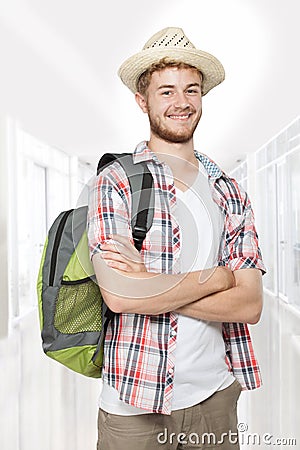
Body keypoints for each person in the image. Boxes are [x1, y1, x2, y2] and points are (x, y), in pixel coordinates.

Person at [88, 27, 266, 450]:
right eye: (166, 91)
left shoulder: (229, 190)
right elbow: (120, 296)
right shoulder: (116, 183)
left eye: (191, 90)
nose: (181, 102)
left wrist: (150, 280)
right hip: (133, 405)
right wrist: (220, 277)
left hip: (215, 399)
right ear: (142, 100)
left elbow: (250, 304)